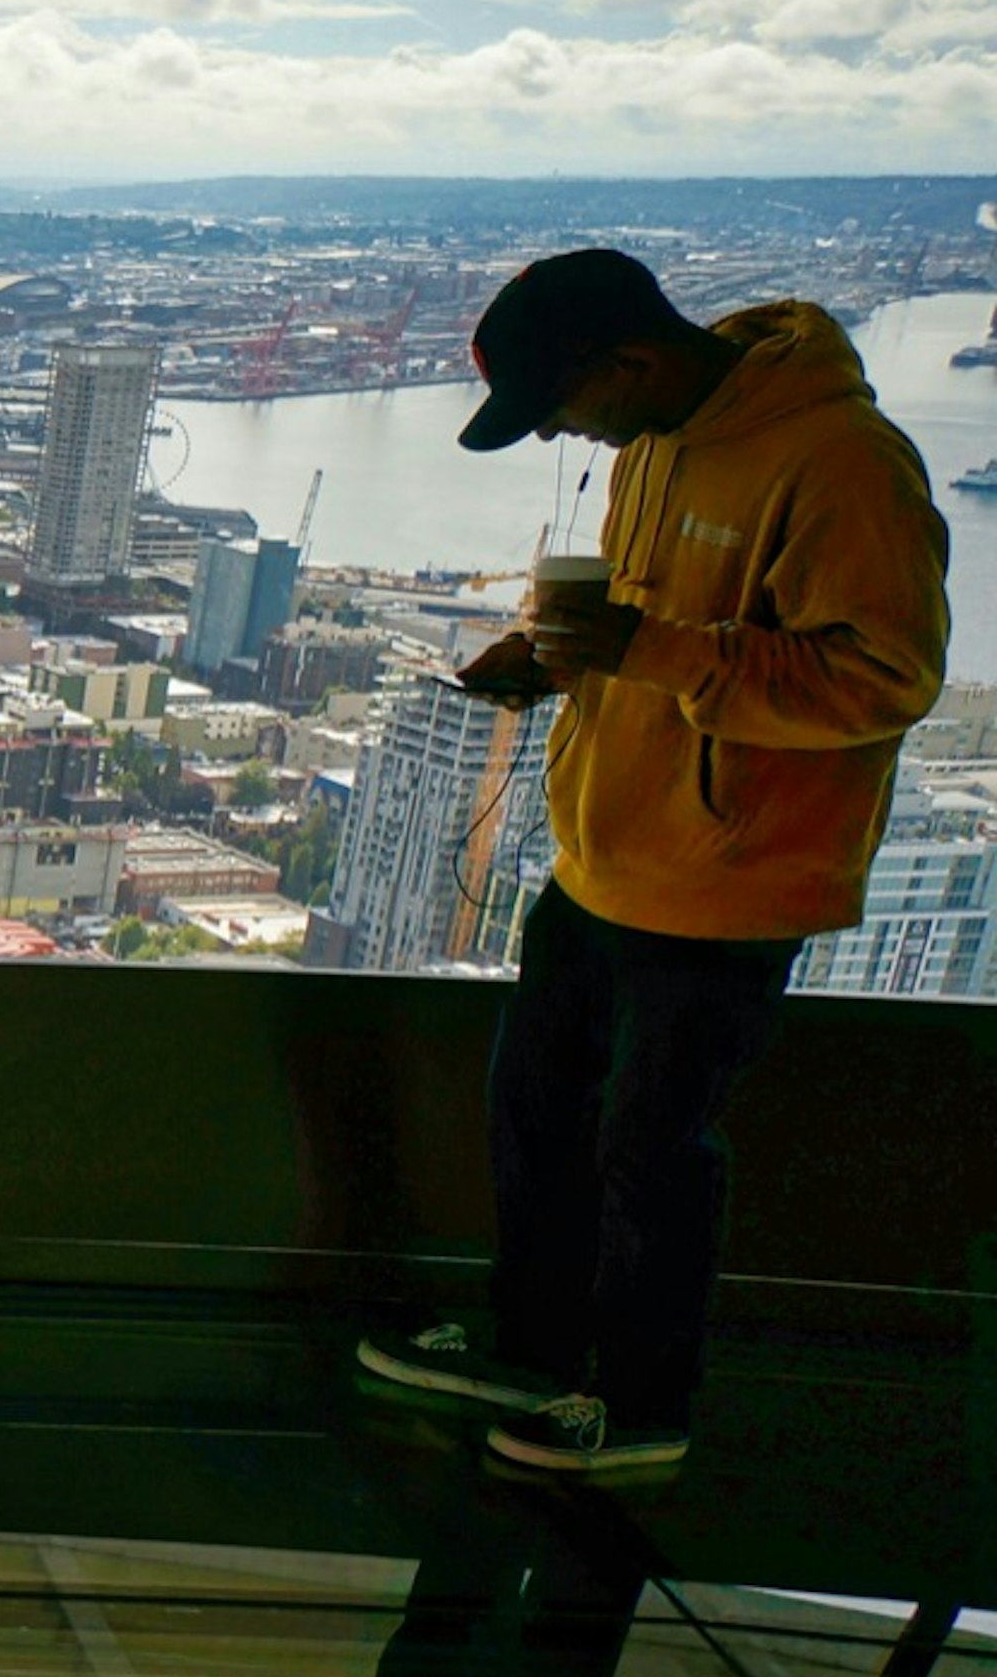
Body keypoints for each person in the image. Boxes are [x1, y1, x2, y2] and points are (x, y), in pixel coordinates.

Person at [358, 249, 949, 1477]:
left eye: (560, 407)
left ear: (628, 361)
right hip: (603, 852)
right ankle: (533, 1348)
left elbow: (886, 679)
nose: (558, 437)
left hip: (729, 877)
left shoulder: (841, 461)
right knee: (536, 1112)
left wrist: (649, 648)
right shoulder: (651, 447)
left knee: (652, 1146)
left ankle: (638, 1403)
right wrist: (554, 659)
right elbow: (644, 634)